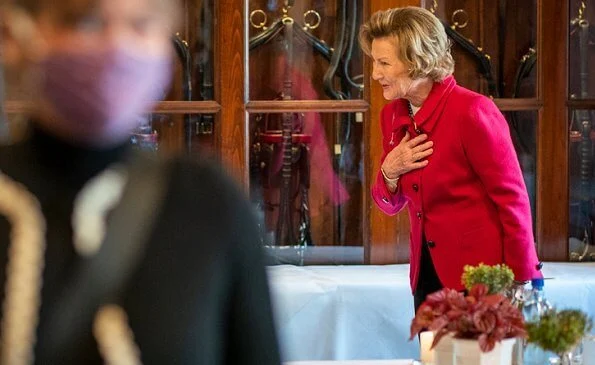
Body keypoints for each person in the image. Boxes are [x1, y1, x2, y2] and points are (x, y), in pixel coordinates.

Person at [0, 0, 282, 364]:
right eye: (85, 22)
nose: (117, 47)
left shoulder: (206, 202)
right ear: (15, 34)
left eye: (141, 25)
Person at [359, 6, 543, 312]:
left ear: (417, 62)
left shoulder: (472, 111)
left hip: (482, 278)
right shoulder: (391, 115)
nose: (375, 73)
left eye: (384, 63)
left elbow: (513, 199)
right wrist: (390, 171)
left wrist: (523, 277)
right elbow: (389, 205)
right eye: (374, 62)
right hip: (426, 277)